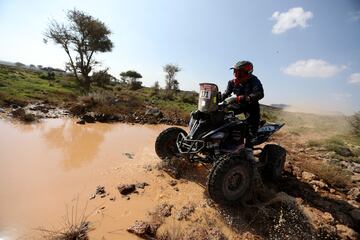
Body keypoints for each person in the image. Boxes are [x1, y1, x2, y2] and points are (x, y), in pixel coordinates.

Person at [222, 60, 264, 152]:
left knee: (252, 125)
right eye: (235, 71)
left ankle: (249, 149)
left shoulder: (254, 80)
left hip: (251, 105)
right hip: (238, 104)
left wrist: (248, 97)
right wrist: (217, 97)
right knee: (222, 113)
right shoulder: (232, 82)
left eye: (239, 72)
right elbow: (226, 94)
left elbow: (260, 93)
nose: (236, 74)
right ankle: (224, 138)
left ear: (247, 72)